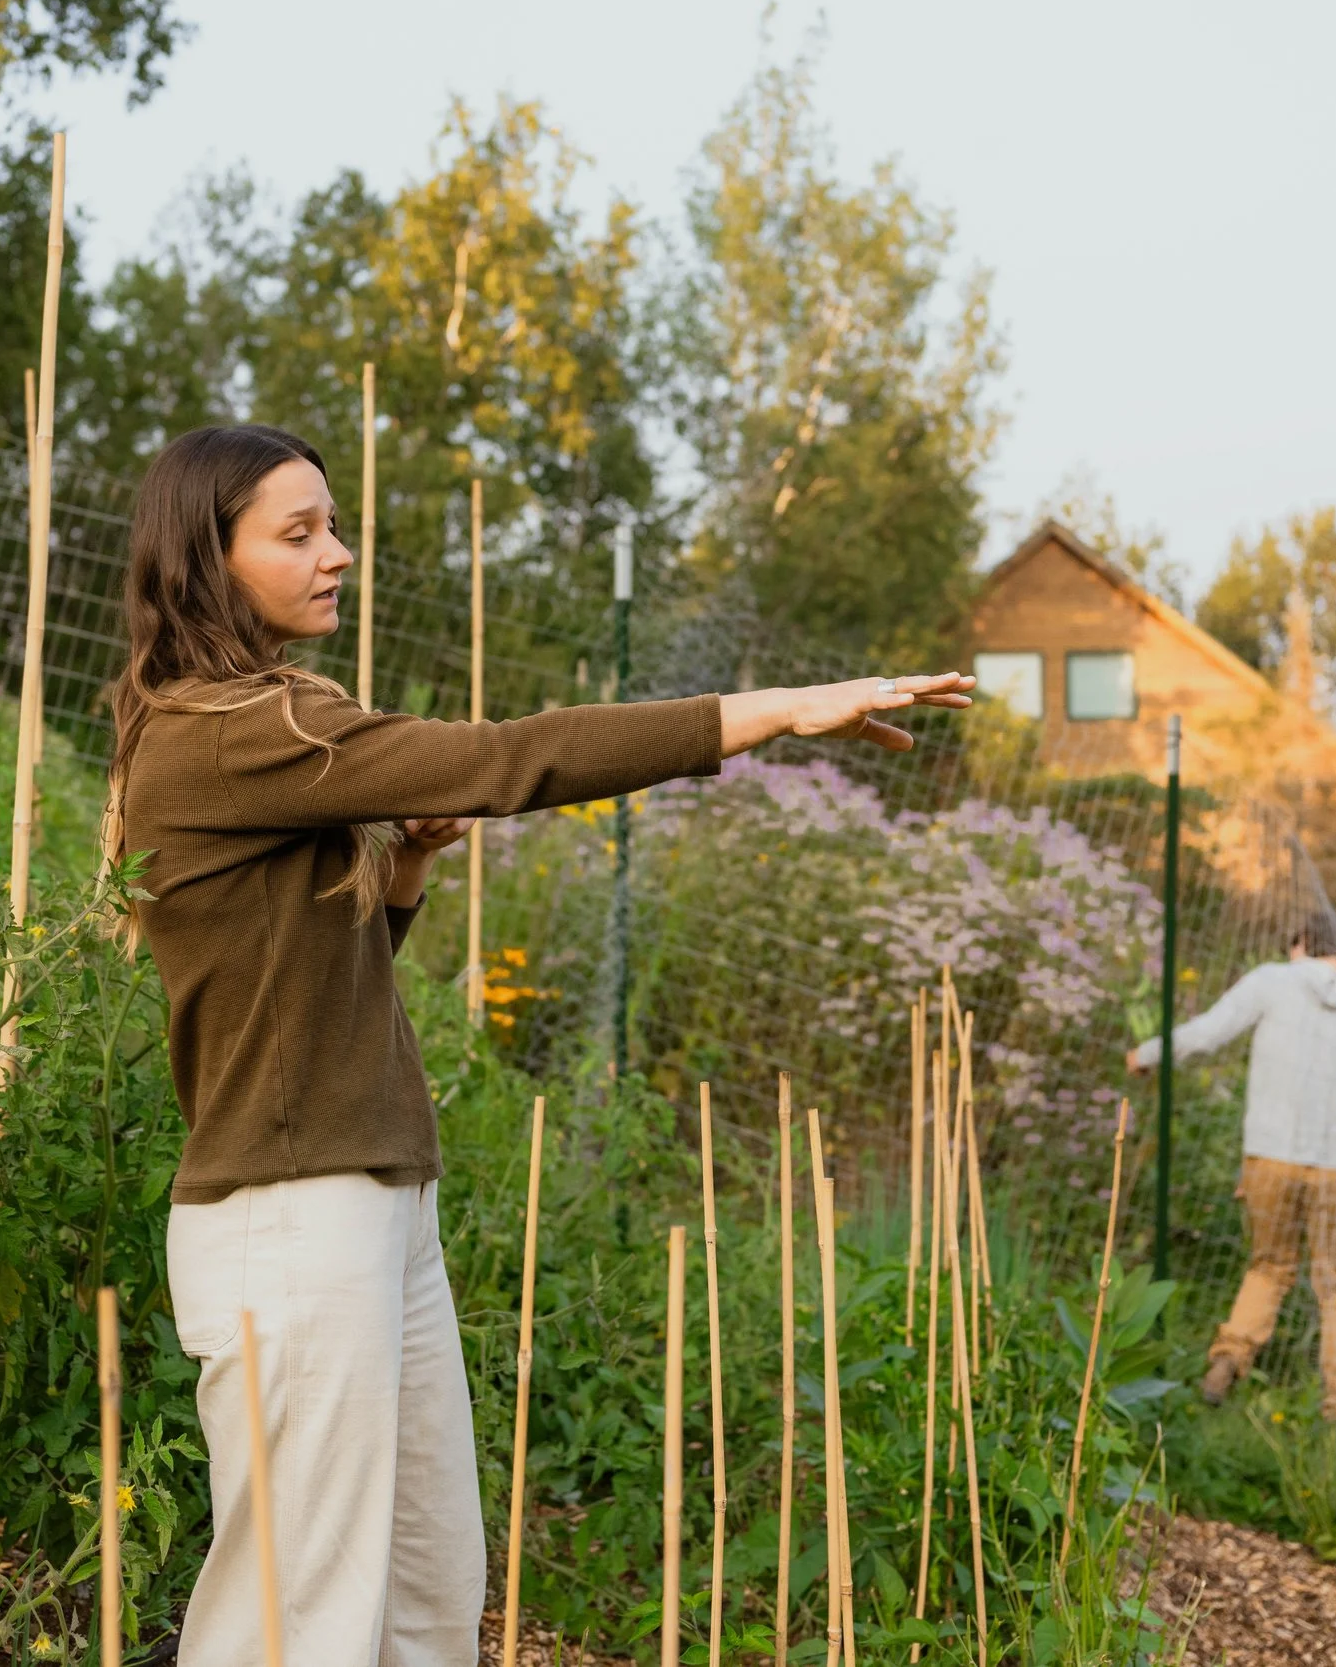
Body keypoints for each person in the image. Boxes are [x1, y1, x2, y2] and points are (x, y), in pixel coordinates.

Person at [104, 423, 974, 1667]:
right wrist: (771, 711)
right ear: (206, 559)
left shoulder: (280, 725)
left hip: (366, 1205)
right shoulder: (230, 731)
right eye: (297, 535)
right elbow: (509, 759)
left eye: (334, 526)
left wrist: (398, 871)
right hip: (291, 1221)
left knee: (423, 1593)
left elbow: (309, 996)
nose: (337, 554)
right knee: (293, 1623)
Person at [1124, 912, 1336, 1421]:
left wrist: (1146, 1054)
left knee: (1270, 1266)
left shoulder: (1274, 981)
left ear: (1303, 944)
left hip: (1270, 1155)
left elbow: (1205, 1034)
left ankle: (1227, 1359)